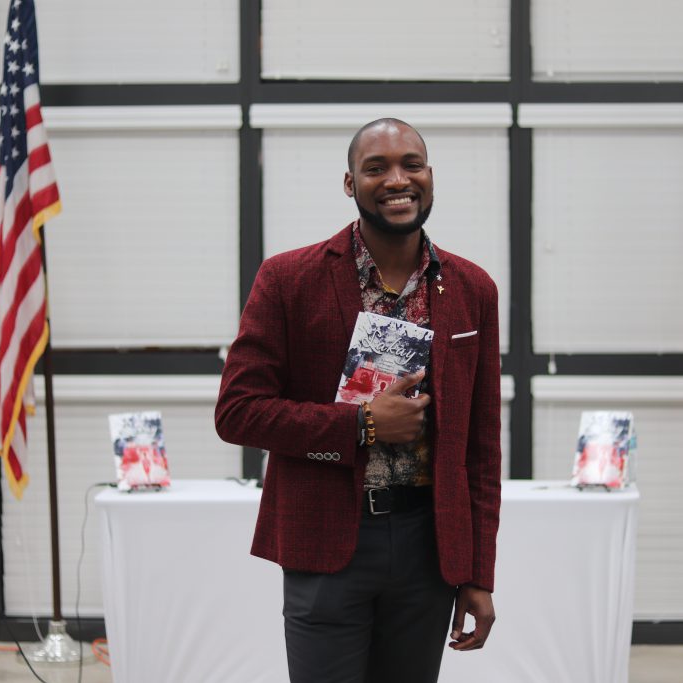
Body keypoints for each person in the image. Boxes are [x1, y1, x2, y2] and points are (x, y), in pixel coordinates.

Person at [215, 118, 501, 683]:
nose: (398, 179)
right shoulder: (288, 279)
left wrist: (478, 572)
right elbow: (238, 411)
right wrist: (361, 423)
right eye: (376, 168)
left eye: (411, 164)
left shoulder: (473, 290)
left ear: (430, 176)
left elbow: (481, 448)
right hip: (327, 542)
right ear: (350, 184)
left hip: (429, 547)